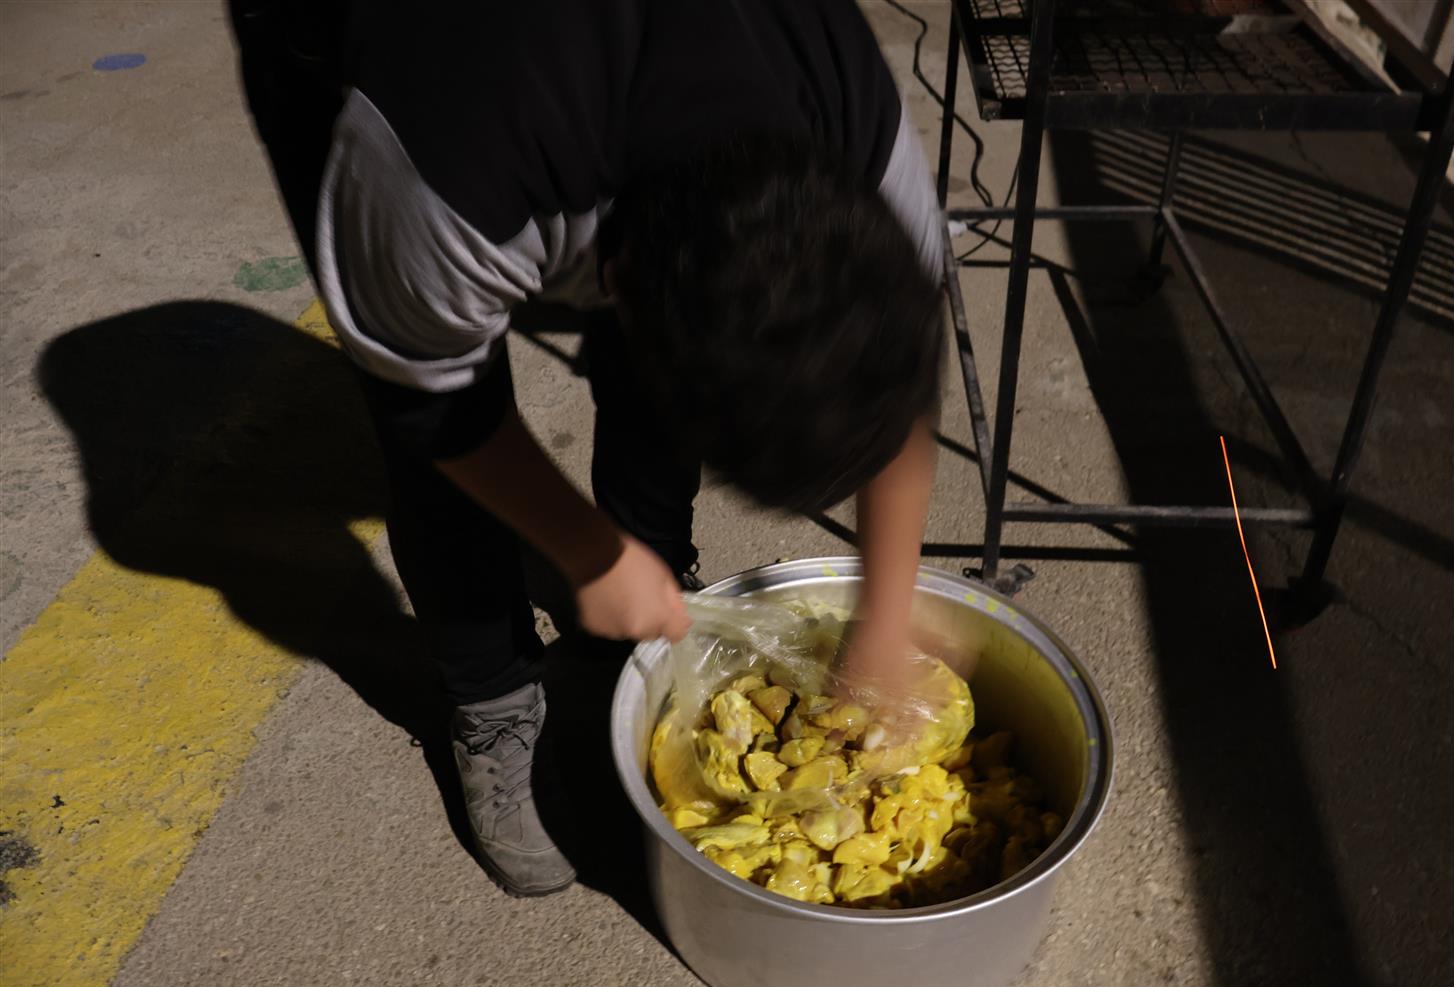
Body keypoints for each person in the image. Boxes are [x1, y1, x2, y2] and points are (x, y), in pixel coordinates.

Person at [230, 0, 946, 896]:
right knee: (436, 447)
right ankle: (490, 692)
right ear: (610, 283)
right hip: (343, 40)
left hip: (582, 117)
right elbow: (434, 402)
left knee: (680, 373)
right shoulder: (438, 185)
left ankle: (648, 577)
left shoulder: (855, 127)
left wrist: (886, 617)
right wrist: (586, 551)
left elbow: (899, 383)